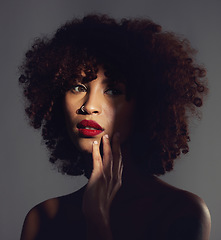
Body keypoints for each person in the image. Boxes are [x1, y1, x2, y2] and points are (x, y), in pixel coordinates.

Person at [19, 14, 211, 240]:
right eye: (78, 87)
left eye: (112, 90)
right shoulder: (42, 218)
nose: (89, 106)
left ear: (145, 105)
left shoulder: (182, 212)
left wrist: (97, 220)